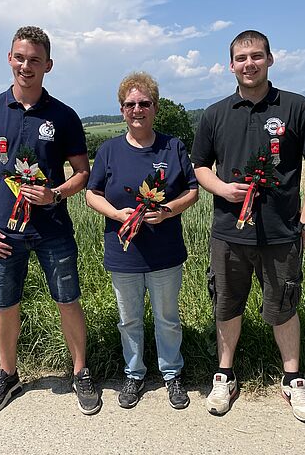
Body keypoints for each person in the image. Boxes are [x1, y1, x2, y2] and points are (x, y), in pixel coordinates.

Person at [190, 30, 305, 423]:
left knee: (284, 306)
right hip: (228, 232)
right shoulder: (215, 114)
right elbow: (199, 166)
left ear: (270, 59)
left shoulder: (296, 107)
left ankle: (293, 380)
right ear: (230, 65)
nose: (248, 63)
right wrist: (221, 188)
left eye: (256, 56)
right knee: (226, 302)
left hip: (281, 232)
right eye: (241, 58)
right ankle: (225, 375)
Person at [0, 26, 100, 416]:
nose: (27, 66)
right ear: (10, 58)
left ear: (49, 65)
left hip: (52, 231)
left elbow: (82, 172)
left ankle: (80, 371)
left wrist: (55, 194)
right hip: (2, 232)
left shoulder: (63, 116)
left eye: (35, 60)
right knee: (5, 305)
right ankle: (7, 374)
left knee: (68, 300)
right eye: (20, 57)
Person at [85, 72, 198, 409]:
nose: (138, 109)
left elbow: (192, 190)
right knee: (129, 319)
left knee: (167, 317)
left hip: (165, 253)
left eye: (144, 103)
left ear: (155, 107)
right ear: (122, 110)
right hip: (124, 253)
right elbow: (92, 194)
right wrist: (118, 215)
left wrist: (168, 211)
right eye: (130, 104)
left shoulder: (173, 146)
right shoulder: (108, 151)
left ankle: (172, 373)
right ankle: (133, 374)